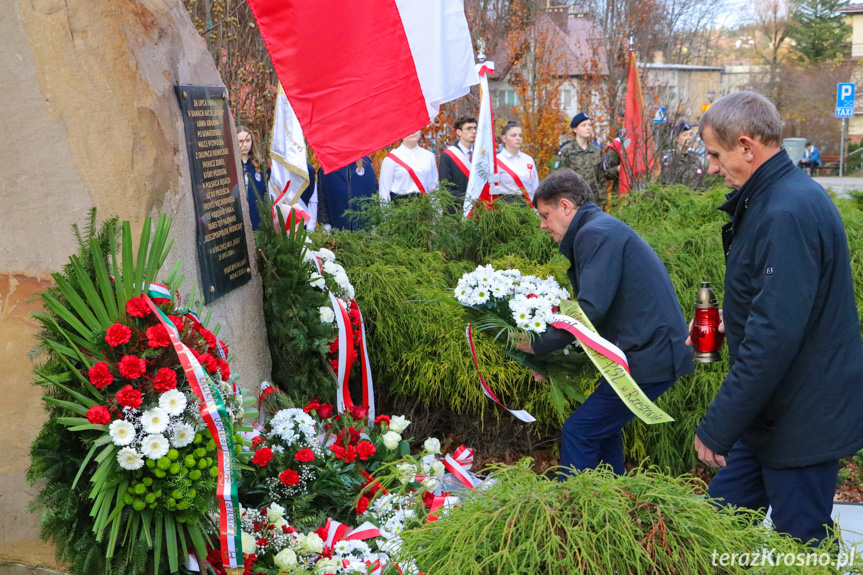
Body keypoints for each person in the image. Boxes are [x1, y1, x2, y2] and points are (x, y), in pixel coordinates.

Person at [694, 91, 863, 546]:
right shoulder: (775, 198)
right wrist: (739, 316)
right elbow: (781, 306)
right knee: (717, 528)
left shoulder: (785, 211)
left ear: (747, 147)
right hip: (772, 413)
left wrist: (717, 426)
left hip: (802, 418)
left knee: (801, 544)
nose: (711, 168)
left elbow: (774, 338)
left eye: (715, 154)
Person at [516, 168, 693, 476]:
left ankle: (573, 514)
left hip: (650, 354)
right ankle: (612, 503)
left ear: (566, 206)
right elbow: (596, 317)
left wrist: (537, 345)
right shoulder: (597, 229)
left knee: (580, 431)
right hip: (648, 350)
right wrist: (551, 362)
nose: (543, 225)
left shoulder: (594, 233)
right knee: (601, 430)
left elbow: (589, 310)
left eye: (545, 215)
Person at [557, 113, 607, 207]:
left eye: (589, 125)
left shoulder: (596, 151)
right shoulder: (566, 151)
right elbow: (560, 180)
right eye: (584, 125)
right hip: (574, 203)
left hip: (594, 202)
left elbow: (601, 179)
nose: (588, 128)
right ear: (574, 129)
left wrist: (602, 201)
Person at [317, 157, 378, 231]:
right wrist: (325, 222)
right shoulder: (326, 166)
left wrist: (374, 220)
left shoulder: (366, 164)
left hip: (363, 226)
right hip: (336, 225)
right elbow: (321, 197)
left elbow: (374, 191)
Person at [379, 130, 438, 205]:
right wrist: (386, 215)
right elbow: (384, 192)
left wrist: (437, 214)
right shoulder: (390, 159)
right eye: (409, 128)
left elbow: (434, 187)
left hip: (424, 207)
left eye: (416, 128)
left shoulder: (429, 156)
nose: (413, 132)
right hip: (400, 209)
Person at [495, 121, 539, 205]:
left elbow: (535, 186)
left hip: (527, 205)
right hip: (506, 206)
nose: (518, 138)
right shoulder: (497, 161)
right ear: (504, 138)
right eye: (513, 135)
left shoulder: (528, 159)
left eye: (520, 135)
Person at [439, 116, 476, 205]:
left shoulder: (481, 154)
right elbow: (446, 188)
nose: (474, 131)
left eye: (475, 128)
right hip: (458, 209)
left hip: (481, 209)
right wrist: (469, 199)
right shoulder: (448, 156)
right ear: (459, 132)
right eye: (469, 129)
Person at [237, 125, 268, 230]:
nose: (245, 145)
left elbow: (265, 194)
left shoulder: (259, 166)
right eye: (241, 141)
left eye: (248, 140)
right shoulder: (231, 166)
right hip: (238, 220)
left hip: (257, 221)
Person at [660, 120, 705, 190]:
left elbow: (701, 185)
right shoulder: (670, 159)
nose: (689, 138)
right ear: (676, 138)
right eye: (685, 135)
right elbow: (664, 184)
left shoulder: (695, 160)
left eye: (690, 135)